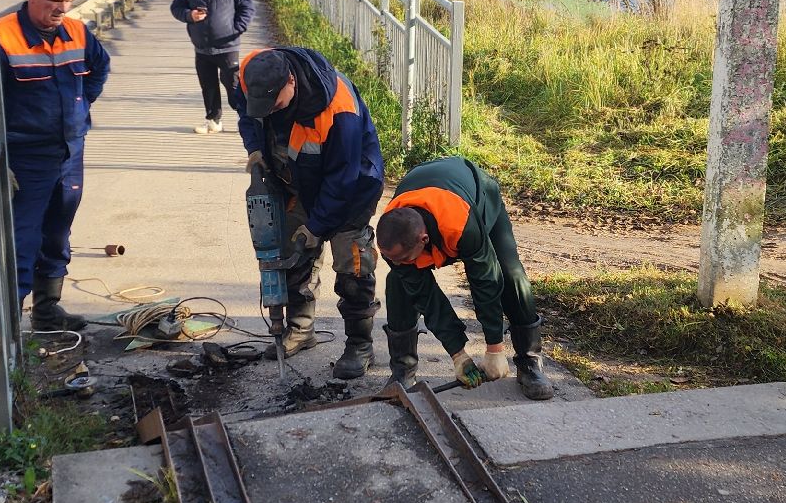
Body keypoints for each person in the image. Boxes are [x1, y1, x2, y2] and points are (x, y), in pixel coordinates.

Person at [228, 47, 383, 379]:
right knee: (291, 252)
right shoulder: (252, 74)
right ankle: (300, 329)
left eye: (276, 104)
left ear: (291, 82)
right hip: (296, 178)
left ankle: (360, 344)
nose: (270, 111)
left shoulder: (339, 112)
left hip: (351, 186)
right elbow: (245, 111)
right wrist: (255, 148)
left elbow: (342, 180)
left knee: (351, 261)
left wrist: (317, 225)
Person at [0, 0, 111, 332]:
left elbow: (100, 67)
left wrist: (82, 104)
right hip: (25, 157)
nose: (61, 8)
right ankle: (7, 332)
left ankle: (47, 310)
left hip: (70, 151)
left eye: (67, 0)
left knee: (58, 232)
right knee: (23, 239)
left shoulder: (77, 32)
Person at [375, 156, 553, 400]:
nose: (396, 263)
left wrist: (494, 348)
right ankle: (402, 371)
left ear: (423, 240)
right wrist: (458, 354)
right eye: (392, 259)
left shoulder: (460, 225)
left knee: (510, 274)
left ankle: (529, 362)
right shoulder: (393, 239)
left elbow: (485, 281)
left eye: (403, 258)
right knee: (399, 285)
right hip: (430, 187)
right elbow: (427, 298)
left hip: (477, 199)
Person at [170, 0, 256, 135]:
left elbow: (247, 7)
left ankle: (250, 120)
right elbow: (176, 8)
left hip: (227, 45)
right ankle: (213, 121)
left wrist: (237, 28)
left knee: (232, 83)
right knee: (208, 85)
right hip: (202, 47)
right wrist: (189, 15)